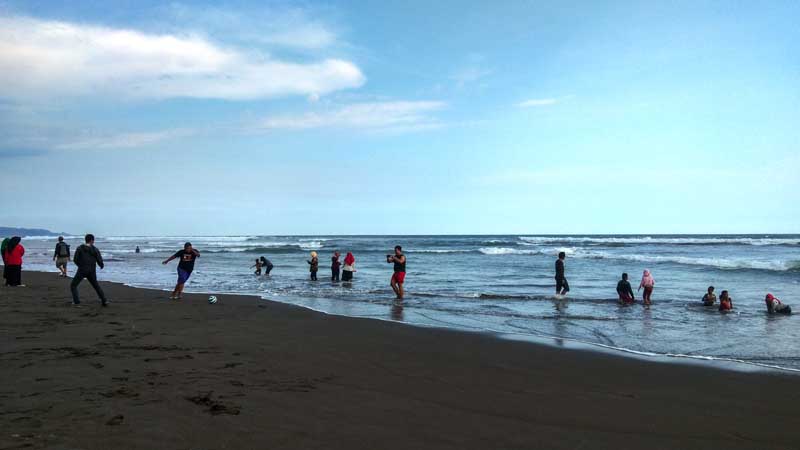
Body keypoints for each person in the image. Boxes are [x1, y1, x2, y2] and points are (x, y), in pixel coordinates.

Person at [70, 234, 108, 307]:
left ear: (86, 240)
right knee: (96, 285)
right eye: (93, 240)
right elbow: (100, 260)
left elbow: (75, 260)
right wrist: (101, 265)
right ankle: (104, 300)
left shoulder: (79, 248)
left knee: (73, 285)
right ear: (92, 240)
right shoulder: (95, 249)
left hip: (82, 270)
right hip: (91, 270)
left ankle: (76, 302)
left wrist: (80, 265)